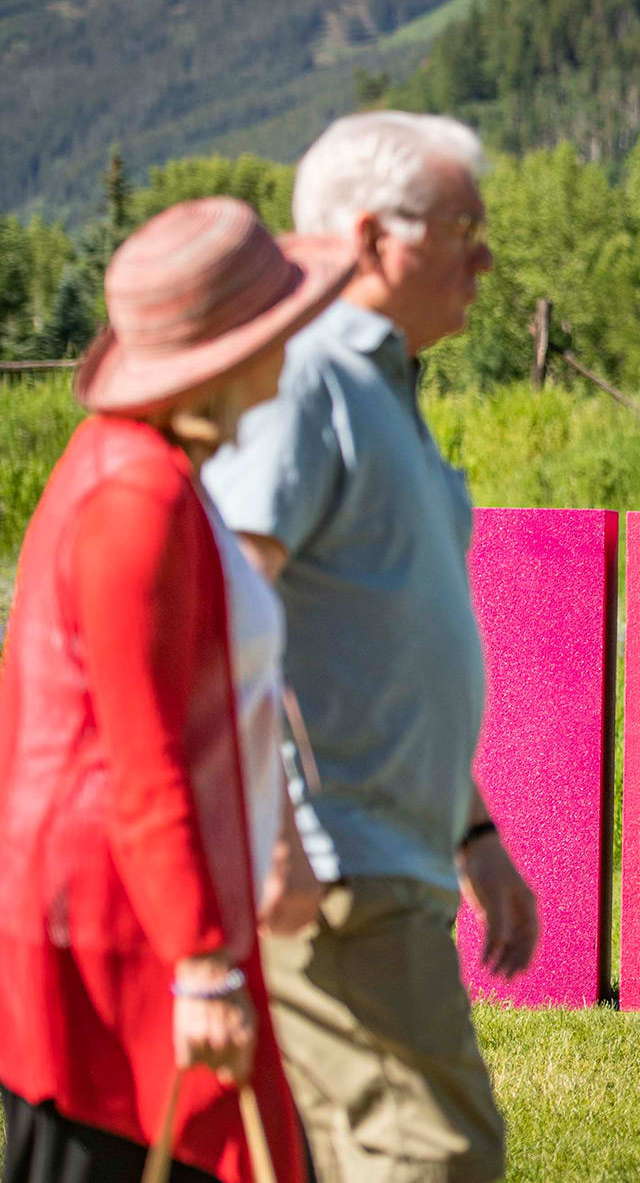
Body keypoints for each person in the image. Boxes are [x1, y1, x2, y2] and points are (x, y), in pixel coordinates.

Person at [204, 113, 534, 1183]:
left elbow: (370, 648)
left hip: (384, 860)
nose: (484, 254)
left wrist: (471, 828)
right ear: (371, 237)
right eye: (460, 224)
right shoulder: (304, 380)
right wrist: (283, 831)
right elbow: (220, 613)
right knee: (430, 1155)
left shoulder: (379, 386)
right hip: (333, 868)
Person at [1, 198, 350, 1183]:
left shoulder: (161, 471)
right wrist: (200, 964)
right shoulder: (135, 496)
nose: (297, 333)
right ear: (231, 347)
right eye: (282, 317)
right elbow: (139, 754)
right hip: (116, 942)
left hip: (155, 913)